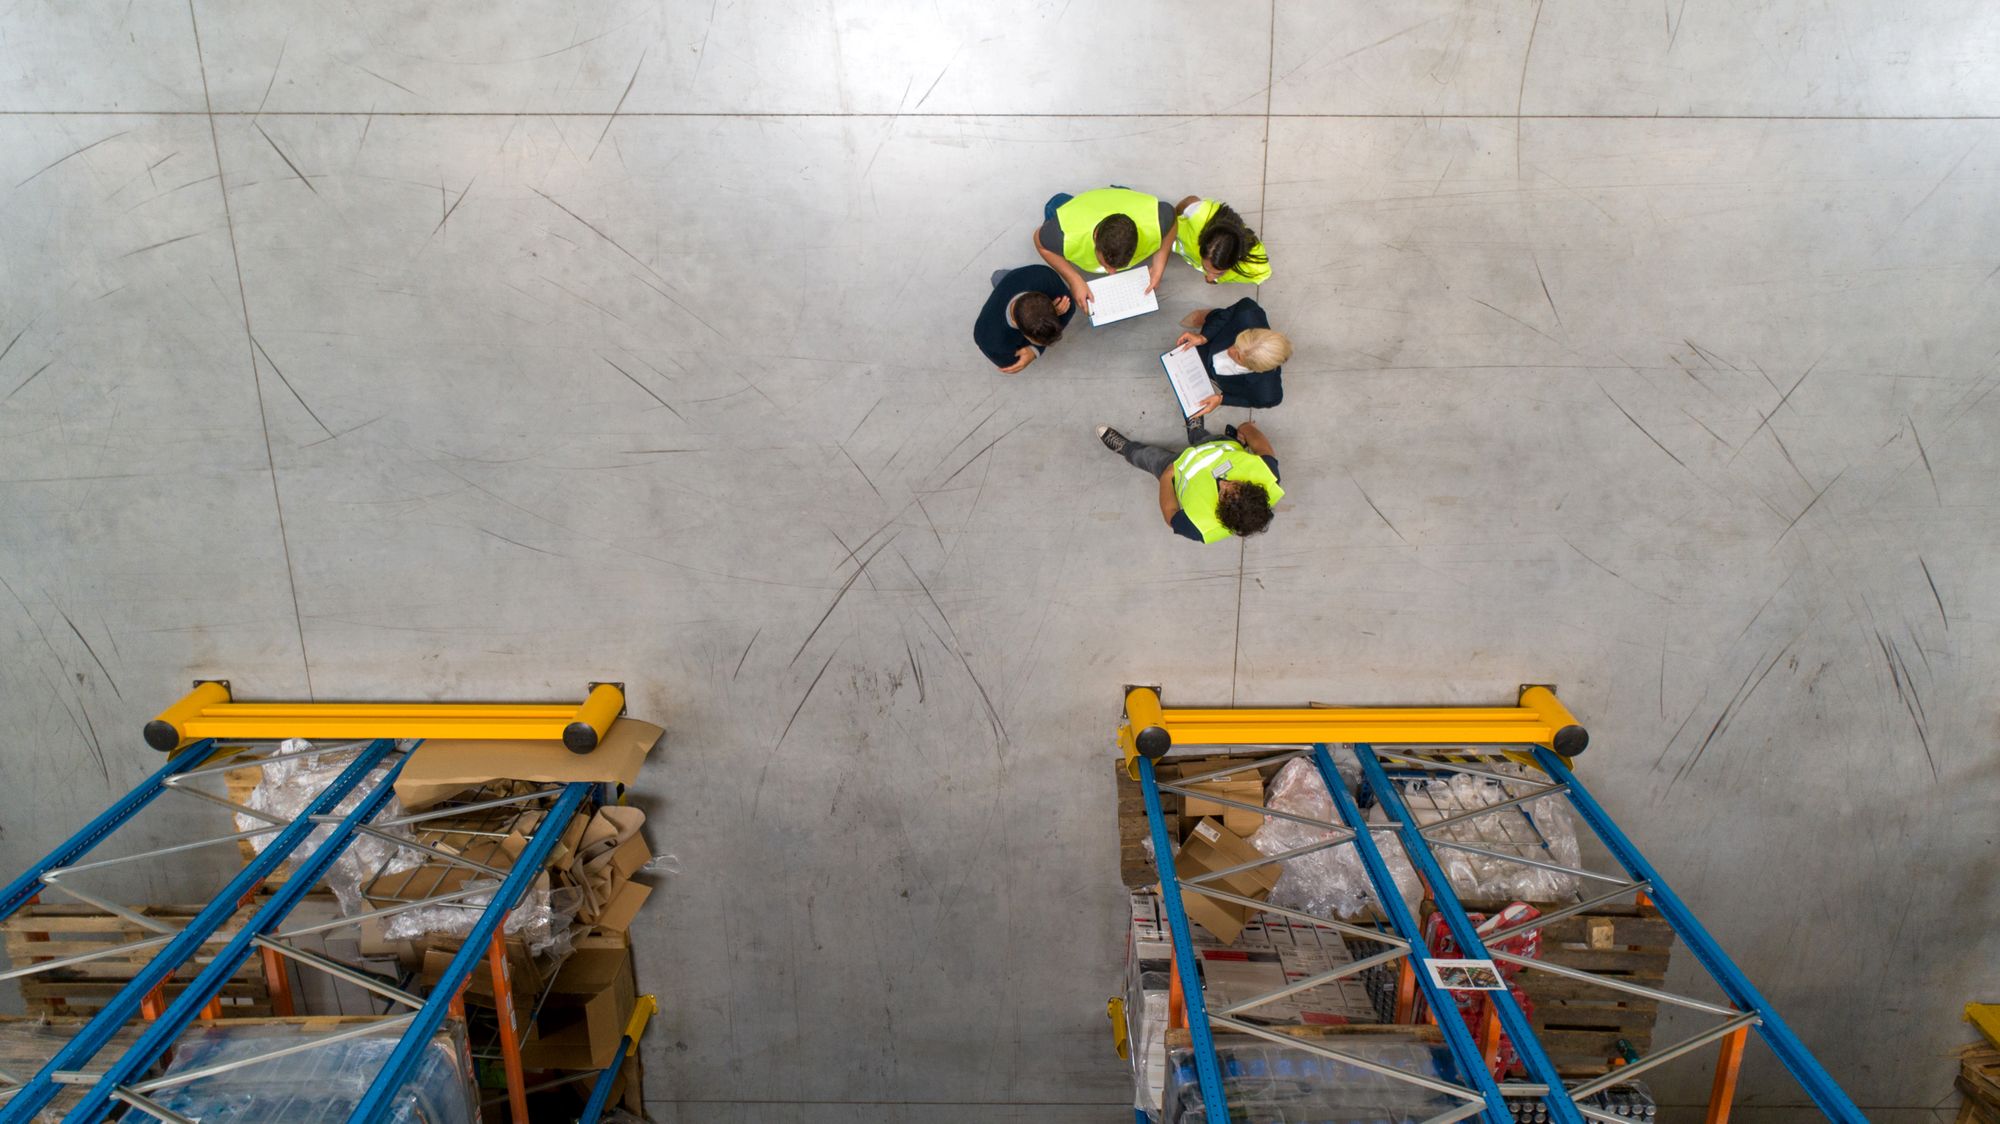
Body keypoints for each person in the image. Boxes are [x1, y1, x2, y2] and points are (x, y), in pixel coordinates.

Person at [1096, 420, 1284, 544]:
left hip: (1175, 469)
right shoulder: (1268, 476)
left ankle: (1128, 449)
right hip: (1214, 444)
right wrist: (1245, 428)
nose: (1225, 484)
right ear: (1252, 489)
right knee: (1201, 435)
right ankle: (1195, 428)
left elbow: (1170, 516)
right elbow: (1262, 446)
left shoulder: (1202, 528)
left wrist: (1166, 479)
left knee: (1148, 457)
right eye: (1236, 484)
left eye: (1224, 494)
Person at [1032, 187, 1177, 314]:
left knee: (1120, 191)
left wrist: (1159, 267)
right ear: (1095, 237)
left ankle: (1116, 191)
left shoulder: (1155, 222)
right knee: (1058, 204)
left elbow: (1172, 220)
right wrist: (1074, 279)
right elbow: (1040, 242)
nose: (1111, 273)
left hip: (1121, 199)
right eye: (1106, 264)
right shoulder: (1065, 235)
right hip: (1080, 211)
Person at [1174, 298, 1292, 419]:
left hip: (1216, 376)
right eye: (1237, 343)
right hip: (1213, 340)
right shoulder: (1248, 312)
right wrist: (1204, 337)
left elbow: (1254, 400)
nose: (1230, 350)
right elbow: (1230, 313)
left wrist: (1222, 399)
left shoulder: (1267, 393)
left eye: (1238, 356)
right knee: (1211, 317)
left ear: (1257, 369)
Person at [976, 265, 1075, 373]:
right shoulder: (990, 340)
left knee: (1002, 278)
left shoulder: (1044, 276)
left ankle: (1001, 279)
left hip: (1020, 278)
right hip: (1026, 278)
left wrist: (1035, 349)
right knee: (1003, 278)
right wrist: (1034, 350)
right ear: (1020, 329)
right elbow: (1010, 364)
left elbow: (1070, 308)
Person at [1172, 197, 1270, 285]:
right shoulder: (1201, 214)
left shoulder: (1256, 268)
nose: (1209, 278)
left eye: (1220, 273)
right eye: (1206, 268)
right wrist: (1172, 217)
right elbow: (1189, 201)